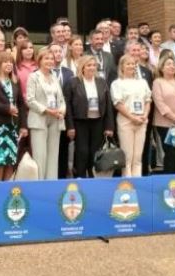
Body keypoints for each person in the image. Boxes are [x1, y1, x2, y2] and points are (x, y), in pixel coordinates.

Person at [66, 54, 115, 178]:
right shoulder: (73, 82)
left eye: (94, 65)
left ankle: (93, 178)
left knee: (95, 151)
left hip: (98, 121)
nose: (92, 68)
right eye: (89, 65)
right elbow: (68, 106)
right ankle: (80, 177)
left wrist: (109, 126)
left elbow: (108, 105)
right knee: (82, 152)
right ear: (82, 67)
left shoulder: (101, 82)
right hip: (80, 122)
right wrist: (70, 126)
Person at [0, 51, 28, 181]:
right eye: (5, 62)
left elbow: (21, 104)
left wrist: (23, 126)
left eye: (11, 62)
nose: (9, 64)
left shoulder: (15, 81)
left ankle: (7, 190)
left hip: (12, 128)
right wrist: (7, 108)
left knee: (10, 162)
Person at [26, 47, 66, 180]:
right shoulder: (33, 77)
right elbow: (30, 100)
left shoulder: (54, 77)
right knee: (40, 156)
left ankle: (51, 183)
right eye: (46, 58)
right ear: (39, 60)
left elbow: (61, 99)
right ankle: (39, 184)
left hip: (55, 120)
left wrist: (62, 110)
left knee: (53, 156)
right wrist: (47, 110)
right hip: (39, 118)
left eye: (52, 59)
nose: (50, 61)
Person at [110, 54, 151, 177]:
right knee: (127, 156)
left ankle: (137, 181)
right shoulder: (117, 83)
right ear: (122, 66)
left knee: (137, 156)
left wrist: (145, 115)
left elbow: (148, 100)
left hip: (141, 120)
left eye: (133, 64)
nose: (131, 66)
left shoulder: (142, 82)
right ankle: (127, 183)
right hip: (126, 121)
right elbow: (118, 104)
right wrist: (132, 118)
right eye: (128, 64)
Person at [51, 42, 75, 179]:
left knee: (64, 150)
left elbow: (71, 98)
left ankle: (62, 177)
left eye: (60, 51)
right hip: (48, 115)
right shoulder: (43, 72)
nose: (58, 54)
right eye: (55, 51)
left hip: (65, 116)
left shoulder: (69, 73)